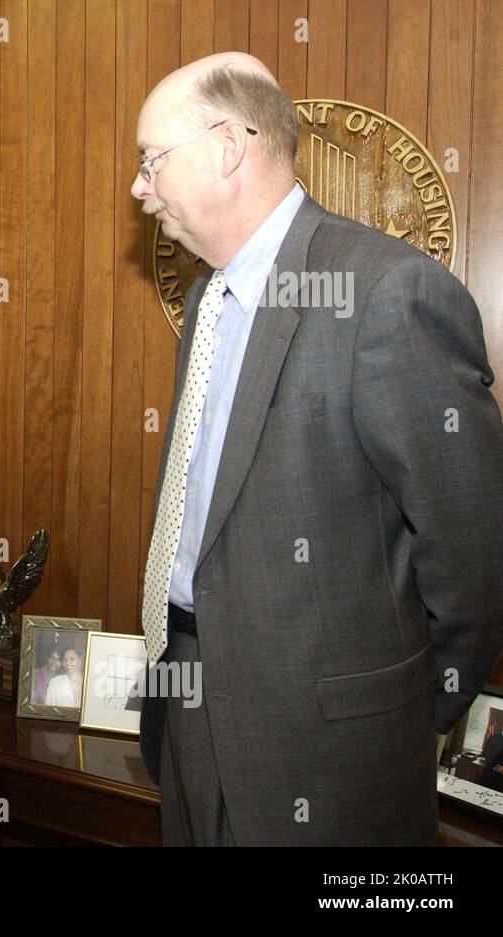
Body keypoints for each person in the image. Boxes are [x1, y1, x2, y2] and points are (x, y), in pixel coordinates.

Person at [132, 53, 503, 845]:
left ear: (228, 146)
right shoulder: (206, 299)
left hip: (331, 754)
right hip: (188, 707)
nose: (139, 186)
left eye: (151, 160)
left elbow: (475, 552)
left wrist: (400, 717)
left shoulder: (386, 293)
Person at [31, 640, 62, 705]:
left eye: (58, 659)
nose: (54, 662)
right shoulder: (35, 674)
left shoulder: (63, 678)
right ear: (47, 658)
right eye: (52, 657)